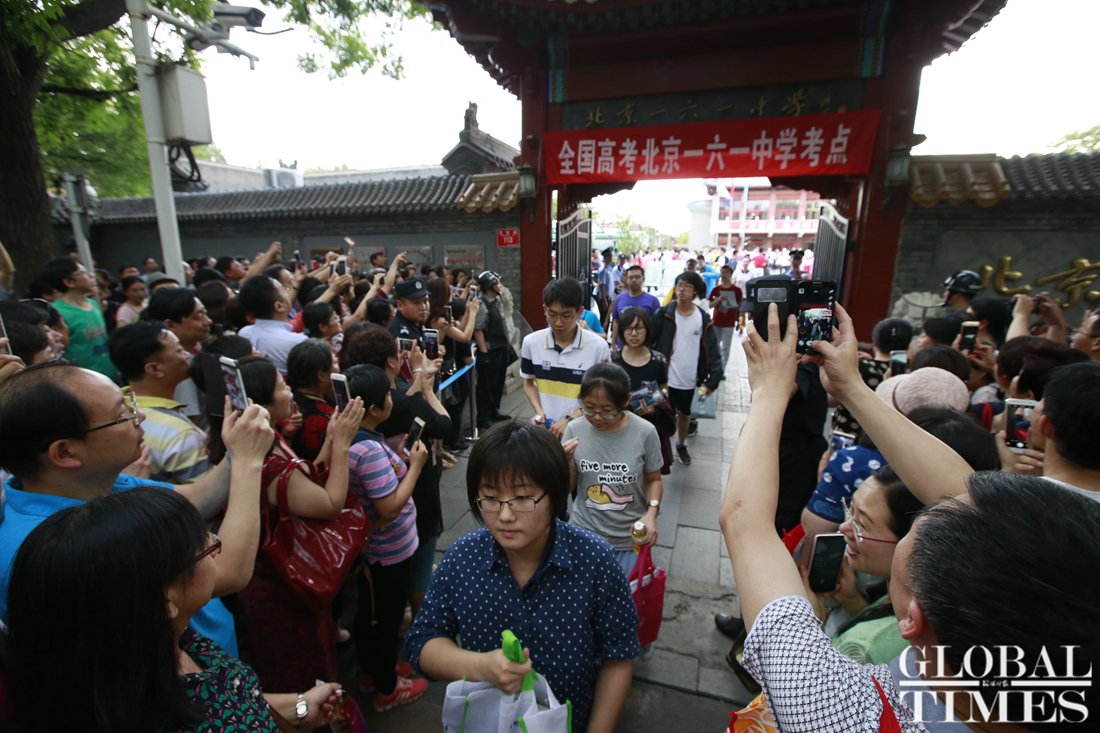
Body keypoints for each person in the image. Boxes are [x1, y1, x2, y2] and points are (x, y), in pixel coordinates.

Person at [720, 303, 1100, 731]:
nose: (945, 503)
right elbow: (963, 489)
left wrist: (770, 392)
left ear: (913, 621)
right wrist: (851, 388)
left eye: (924, 524)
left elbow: (745, 522)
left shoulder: (836, 709)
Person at [7, 487, 345, 732]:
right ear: (163, 602)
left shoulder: (168, 647)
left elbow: (230, 697)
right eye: (200, 546)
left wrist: (298, 706)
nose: (214, 543)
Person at [0, 361, 276, 657]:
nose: (139, 415)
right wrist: (248, 461)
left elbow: (195, 498)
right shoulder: (57, 545)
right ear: (66, 452)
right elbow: (226, 572)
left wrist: (236, 449)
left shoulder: (88, 481)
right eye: (122, 414)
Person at [406, 421, 640, 733]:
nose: (504, 515)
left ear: (554, 494)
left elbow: (619, 654)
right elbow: (422, 643)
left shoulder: (595, 560)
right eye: (490, 498)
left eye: (522, 498)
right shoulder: (463, 559)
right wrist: (483, 667)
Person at [221, 355, 365, 692]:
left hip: (280, 574)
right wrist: (342, 445)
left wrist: (331, 438)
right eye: (282, 386)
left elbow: (304, 478)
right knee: (298, 667)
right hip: (284, 583)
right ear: (262, 404)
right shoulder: (267, 462)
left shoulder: (268, 441)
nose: (290, 392)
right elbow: (329, 503)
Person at [339, 325, 452, 617]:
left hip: (370, 528)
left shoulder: (352, 404)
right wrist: (423, 386)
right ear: (392, 361)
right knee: (413, 573)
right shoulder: (395, 403)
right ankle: (419, 621)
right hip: (407, 508)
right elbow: (443, 425)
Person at [345, 364, 431, 711]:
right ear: (376, 410)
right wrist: (415, 467)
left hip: (376, 551)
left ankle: (372, 671)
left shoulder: (352, 439)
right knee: (386, 617)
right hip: (387, 551)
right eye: (388, 395)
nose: (393, 398)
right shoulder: (367, 452)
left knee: (372, 612)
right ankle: (387, 687)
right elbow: (390, 507)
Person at [563, 363, 663, 574]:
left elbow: (654, 479)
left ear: (626, 401)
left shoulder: (645, 432)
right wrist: (565, 462)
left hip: (630, 540)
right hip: (583, 534)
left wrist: (651, 513)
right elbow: (569, 486)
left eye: (607, 411)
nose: (597, 417)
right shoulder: (573, 429)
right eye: (588, 408)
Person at [108, 323, 212, 483]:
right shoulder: (182, 436)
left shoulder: (110, 411)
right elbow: (207, 498)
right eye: (178, 350)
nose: (187, 355)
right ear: (155, 369)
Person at [520, 277, 611, 438]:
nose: (558, 323)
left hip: (586, 431)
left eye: (566, 315)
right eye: (552, 314)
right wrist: (540, 413)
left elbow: (601, 394)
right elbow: (529, 383)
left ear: (580, 312)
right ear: (544, 309)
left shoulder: (598, 347)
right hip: (547, 431)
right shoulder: (531, 343)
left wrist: (571, 419)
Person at [649, 270, 722, 465]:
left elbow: (713, 350)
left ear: (695, 292)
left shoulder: (703, 318)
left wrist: (713, 379)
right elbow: (649, 340)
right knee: (661, 413)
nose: (681, 290)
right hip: (665, 378)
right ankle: (658, 448)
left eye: (687, 286)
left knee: (685, 414)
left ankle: (680, 444)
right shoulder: (664, 314)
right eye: (679, 285)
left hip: (690, 378)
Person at [612, 306, 674, 474]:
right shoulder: (613, 360)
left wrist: (655, 409)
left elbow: (663, 389)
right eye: (629, 329)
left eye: (639, 328)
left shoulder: (658, 359)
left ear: (647, 330)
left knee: (649, 473)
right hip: (619, 427)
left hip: (649, 426)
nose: (633, 334)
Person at [832, 317, 913, 441]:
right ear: (907, 345)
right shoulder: (909, 373)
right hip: (883, 438)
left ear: (874, 342)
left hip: (849, 434)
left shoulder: (858, 368)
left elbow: (831, 400)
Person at [39, 258, 117, 380]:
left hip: (110, 375)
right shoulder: (58, 313)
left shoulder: (93, 303)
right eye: (84, 273)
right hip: (84, 381)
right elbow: (59, 349)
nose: (91, 275)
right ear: (69, 282)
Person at [237, 276, 307, 373]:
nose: (288, 293)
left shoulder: (244, 333)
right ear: (279, 306)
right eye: (285, 290)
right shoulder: (299, 343)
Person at [286, 338, 337, 462]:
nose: (337, 366)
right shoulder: (329, 418)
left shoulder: (287, 403)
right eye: (335, 362)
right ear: (322, 376)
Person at [474, 269, 511, 428]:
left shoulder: (496, 301)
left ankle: (494, 411)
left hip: (501, 348)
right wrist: (484, 353)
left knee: (498, 384)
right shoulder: (482, 304)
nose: (500, 285)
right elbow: (478, 329)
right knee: (486, 386)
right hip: (490, 351)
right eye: (496, 283)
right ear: (489, 286)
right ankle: (483, 417)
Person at [607, 264, 660, 348]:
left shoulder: (653, 301)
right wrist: (613, 344)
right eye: (631, 277)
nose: (634, 280)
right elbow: (616, 322)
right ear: (626, 280)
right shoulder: (619, 299)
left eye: (637, 277)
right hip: (623, 348)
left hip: (645, 349)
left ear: (643, 279)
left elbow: (657, 327)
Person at [707, 264, 742, 368]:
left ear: (731, 274)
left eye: (726, 272)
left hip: (729, 322)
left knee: (726, 347)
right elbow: (709, 304)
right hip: (717, 321)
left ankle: (722, 368)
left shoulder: (736, 290)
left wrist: (732, 303)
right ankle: (714, 367)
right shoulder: (716, 289)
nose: (724, 274)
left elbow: (740, 305)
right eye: (722, 272)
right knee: (715, 346)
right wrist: (718, 300)